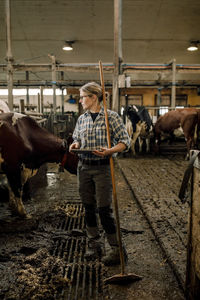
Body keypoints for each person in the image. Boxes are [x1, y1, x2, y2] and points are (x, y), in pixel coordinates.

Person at [69, 82, 131, 265]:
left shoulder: (111, 117)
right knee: (88, 207)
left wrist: (110, 151)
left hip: (103, 167)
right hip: (84, 167)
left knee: (104, 210)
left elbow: (125, 142)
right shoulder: (82, 119)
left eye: (82, 97)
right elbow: (77, 138)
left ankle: (117, 250)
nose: (80, 100)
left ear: (93, 97)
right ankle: (94, 244)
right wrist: (76, 145)